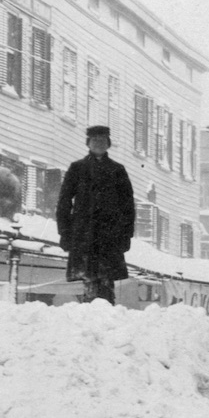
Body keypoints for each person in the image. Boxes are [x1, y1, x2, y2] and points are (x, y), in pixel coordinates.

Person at [55, 125, 134, 304]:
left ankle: (106, 310)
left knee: (106, 280)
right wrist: (65, 233)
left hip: (110, 236)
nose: (98, 144)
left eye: (102, 140)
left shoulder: (117, 170)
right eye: (95, 140)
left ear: (108, 144)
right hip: (83, 235)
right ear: (88, 143)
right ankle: (88, 312)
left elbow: (128, 207)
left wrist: (126, 236)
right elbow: (64, 203)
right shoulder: (77, 168)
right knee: (87, 280)